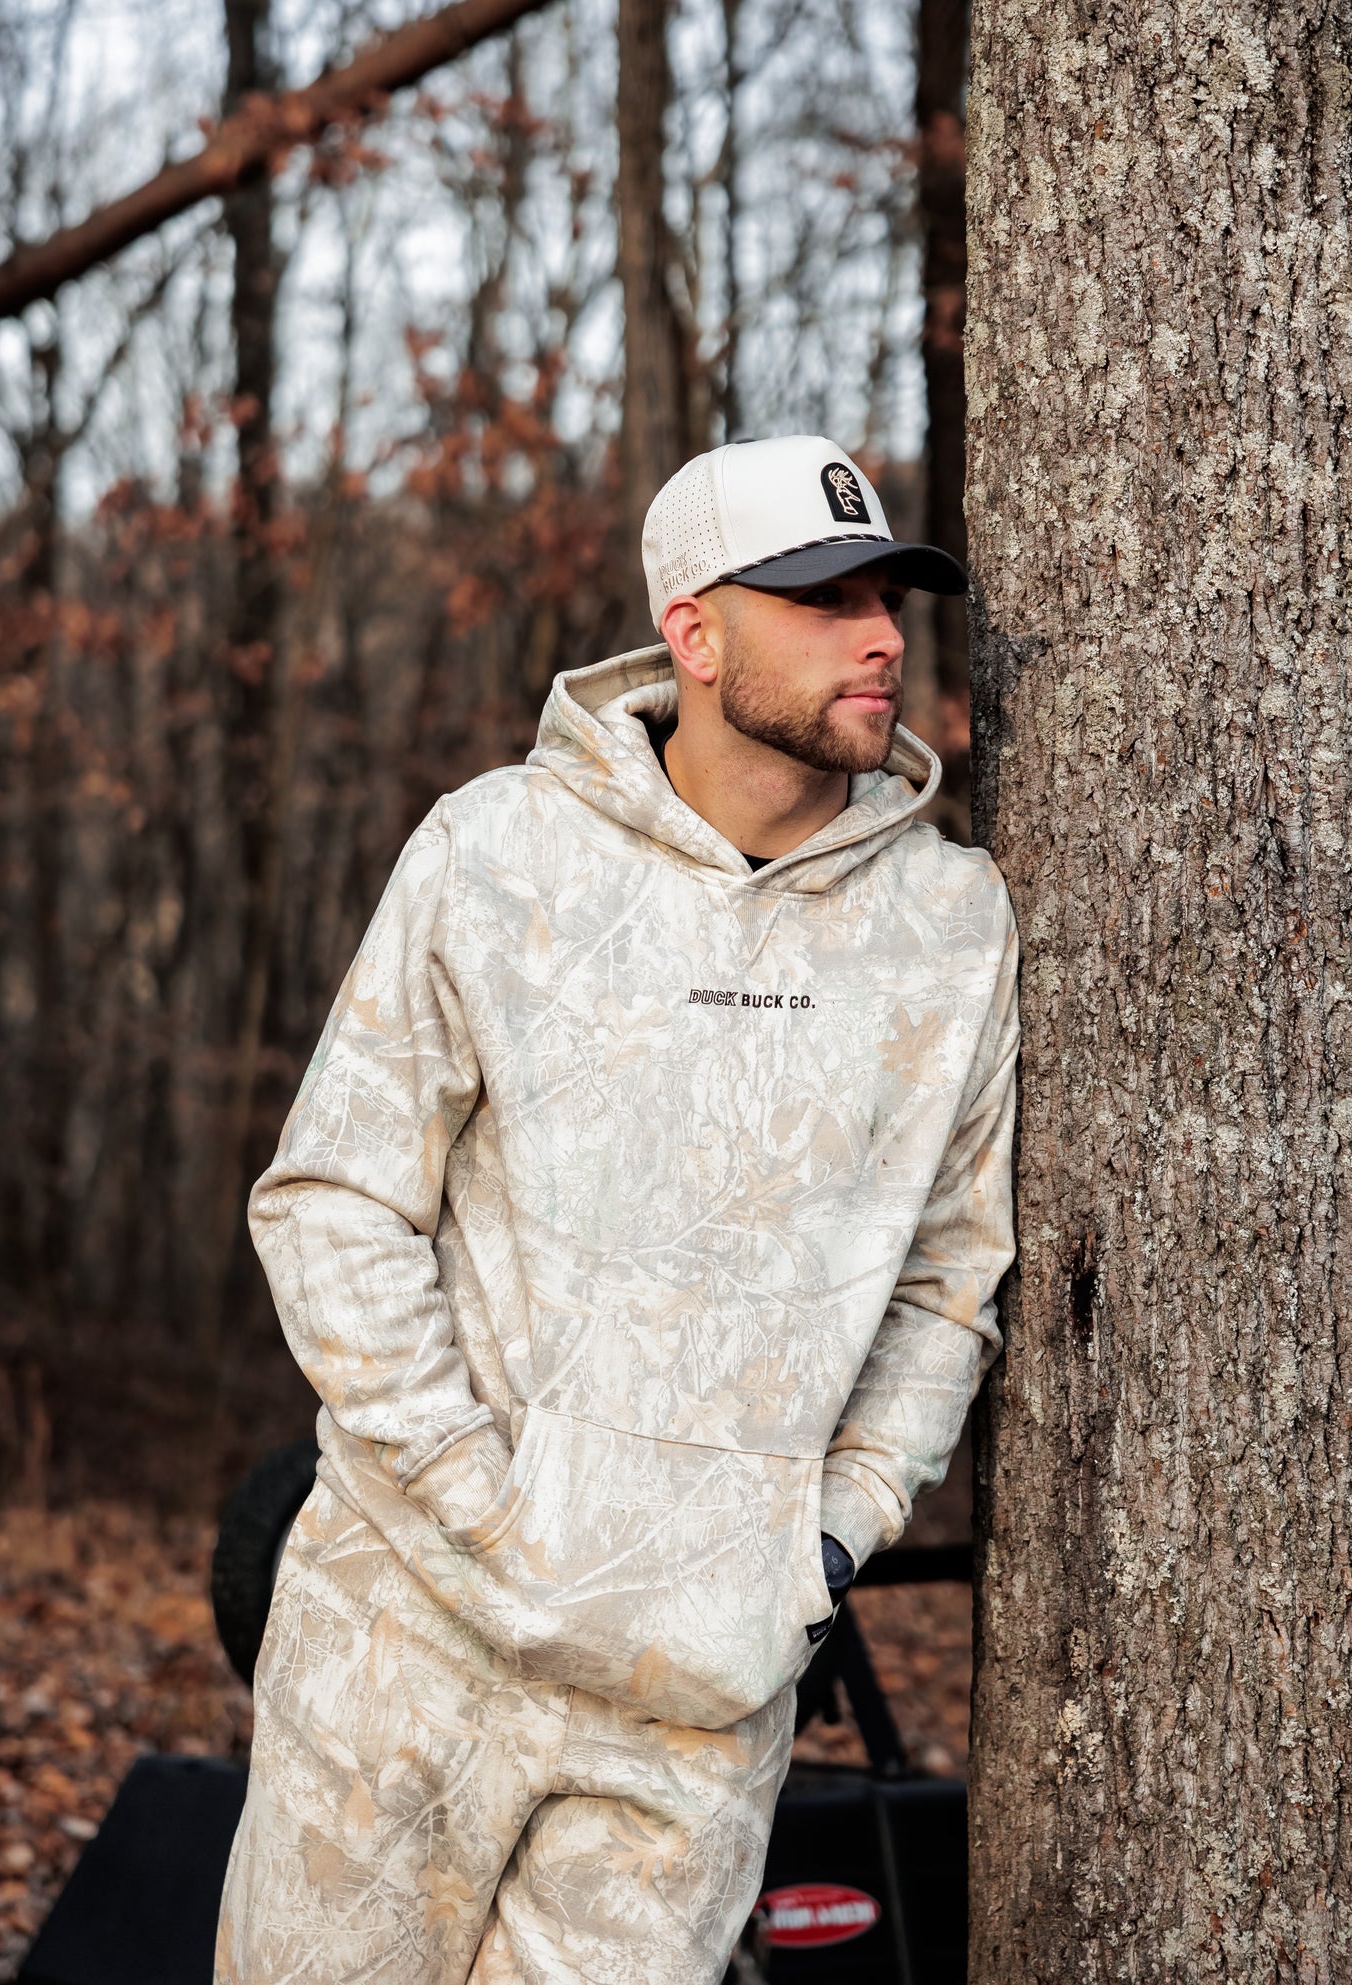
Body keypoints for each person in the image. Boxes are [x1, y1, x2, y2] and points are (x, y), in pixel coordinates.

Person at [215, 434, 1018, 1985]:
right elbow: (329, 1203)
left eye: (888, 597)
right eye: (824, 599)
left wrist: (825, 1545)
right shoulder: (497, 853)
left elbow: (949, 1282)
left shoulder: (951, 926)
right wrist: (486, 1506)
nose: (881, 637)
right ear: (694, 634)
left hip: (696, 1702)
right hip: (406, 1642)